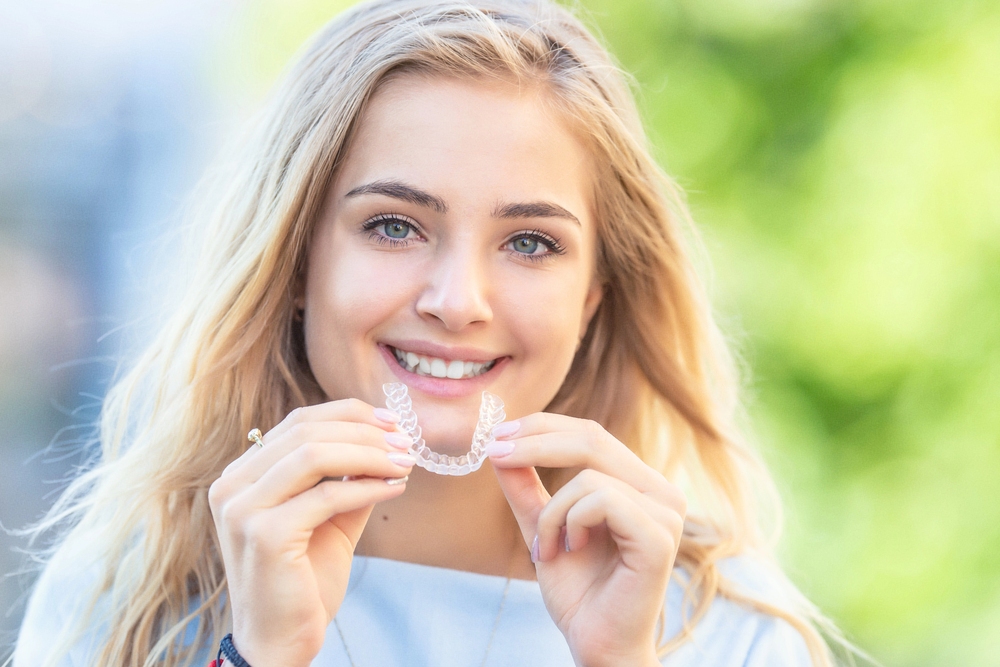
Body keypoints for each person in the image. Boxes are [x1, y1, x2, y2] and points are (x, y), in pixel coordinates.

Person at [13, 1, 848, 665]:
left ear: (593, 297)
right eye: (393, 226)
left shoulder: (728, 632)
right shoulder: (124, 599)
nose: (458, 301)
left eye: (530, 242)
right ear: (297, 260)